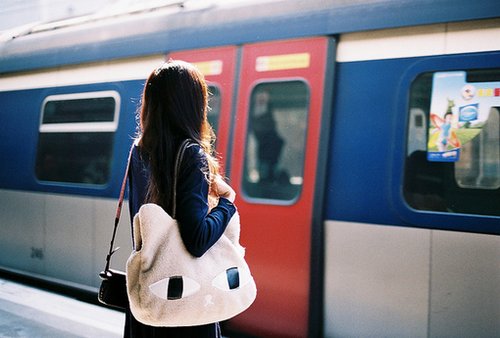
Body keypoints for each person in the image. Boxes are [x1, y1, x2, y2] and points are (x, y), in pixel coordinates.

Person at [124, 60, 237, 338]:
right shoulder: (191, 155)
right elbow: (196, 240)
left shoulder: (139, 151)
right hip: (184, 300)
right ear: (193, 104)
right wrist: (227, 204)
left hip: (150, 298)